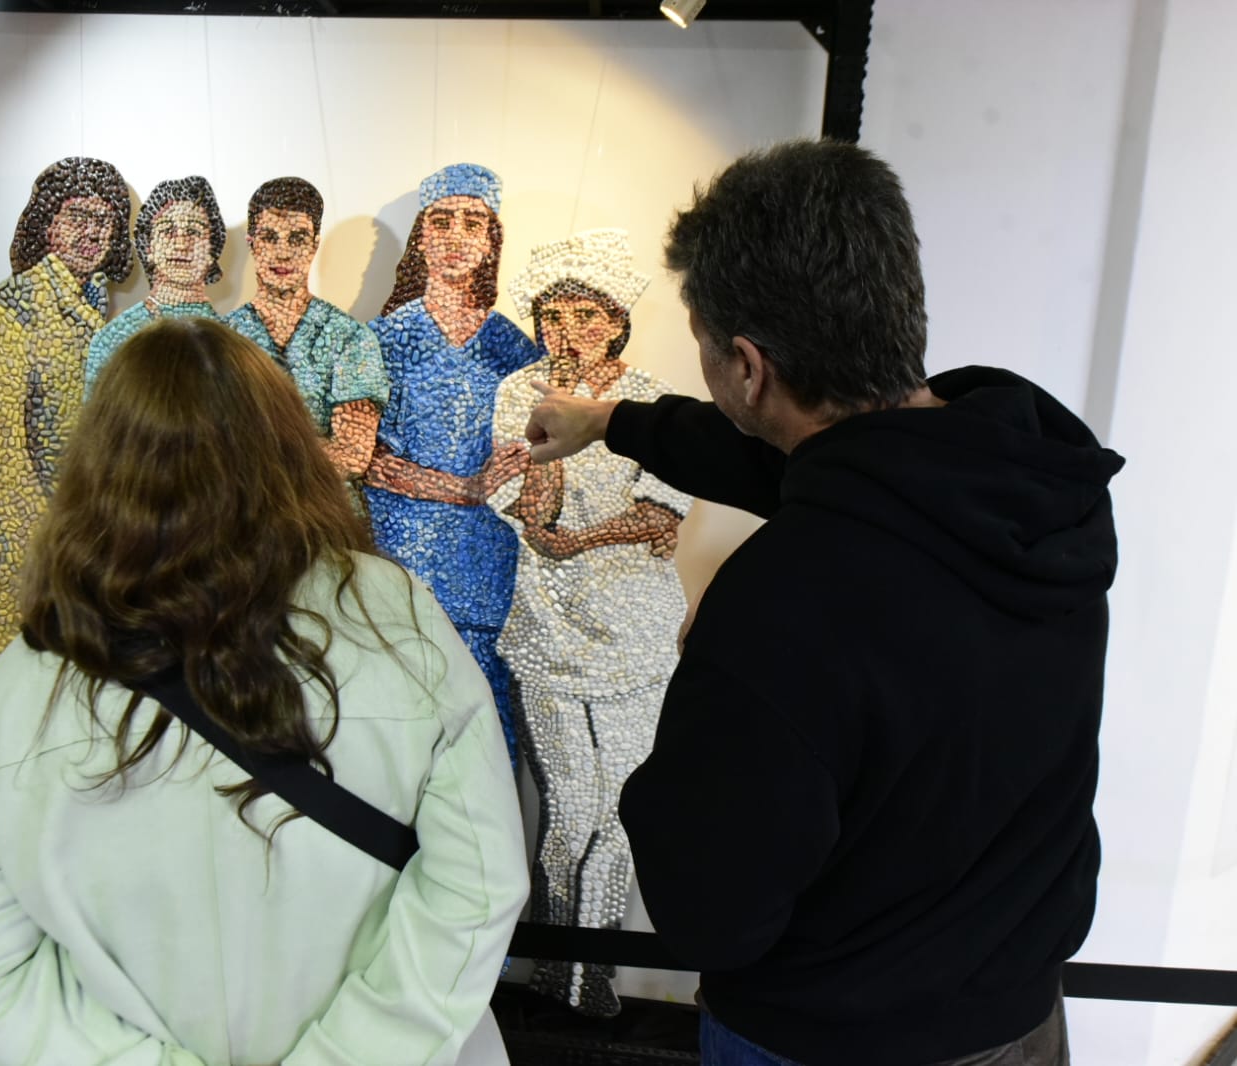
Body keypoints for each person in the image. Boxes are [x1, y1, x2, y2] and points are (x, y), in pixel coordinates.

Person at [523, 140, 1122, 1066]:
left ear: (747, 367)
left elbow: (707, 915)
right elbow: (801, 465)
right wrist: (610, 421)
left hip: (828, 1038)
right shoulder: (1030, 487)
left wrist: (688, 711)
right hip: (1020, 1017)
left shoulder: (779, 604)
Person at [0, 317, 528, 1066]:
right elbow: (478, 884)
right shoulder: (394, 617)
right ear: (289, 450)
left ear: (99, 468)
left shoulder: (37, 673)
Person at [488, 229, 691, 1018]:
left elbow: (660, 513)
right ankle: (560, 973)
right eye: (552, 315)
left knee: (622, 809)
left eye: (584, 314)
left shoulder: (653, 401)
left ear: (614, 320)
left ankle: (586, 975)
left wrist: (589, 536)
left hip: (637, 632)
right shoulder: (519, 391)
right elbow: (529, 511)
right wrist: (555, 418)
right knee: (570, 808)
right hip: (548, 632)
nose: (567, 330)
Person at [364, 163, 537, 761]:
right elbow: (369, 459)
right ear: (420, 238)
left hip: (488, 568)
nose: (456, 236)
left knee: (487, 731)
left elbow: (534, 452)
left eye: (472, 223)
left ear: (491, 241)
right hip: (402, 561)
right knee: (401, 730)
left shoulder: (513, 349)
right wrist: (464, 488)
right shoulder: (382, 340)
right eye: (441, 222)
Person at [0, 156, 134, 678]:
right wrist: (58, 554)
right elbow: (4, 460)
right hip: (31, 565)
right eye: (78, 216)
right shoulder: (6, 310)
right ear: (47, 223)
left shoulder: (102, 313)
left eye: (105, 221)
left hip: (95, 564)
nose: (92, 232)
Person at [224, 177, 388, 483]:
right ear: (252, 243)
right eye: (269, 238)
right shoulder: (221, 338)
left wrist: (249, 451)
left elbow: (353, 455)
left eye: (297, 239)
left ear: (314, 245)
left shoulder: (349, 338)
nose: (283, 253)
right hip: (240, 507)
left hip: (323, 506)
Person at [84, 175, 227, 399]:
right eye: (167, 231)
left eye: (194, 232)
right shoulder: (113, 338)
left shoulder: (231, 339)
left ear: (211, 251)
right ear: (149, 247)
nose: (181, 244)